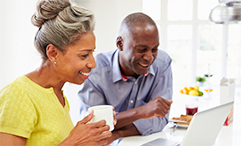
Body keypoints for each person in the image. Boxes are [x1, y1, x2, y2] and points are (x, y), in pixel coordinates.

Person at [0, 0, 116, 145]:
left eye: (93, 53)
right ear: (53, 53)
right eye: (84, 55)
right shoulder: (19, 95)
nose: (93, 64)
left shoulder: (59, 97)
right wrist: (73, 142)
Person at [78, 12, 173, 145]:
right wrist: (141, 112)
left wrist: (117, 133)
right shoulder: (95, 70)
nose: (149, 57)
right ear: (120, 44)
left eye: (154, 49)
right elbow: (93, 126)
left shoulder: (162, 63)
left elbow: (160, 120)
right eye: (141, 49)